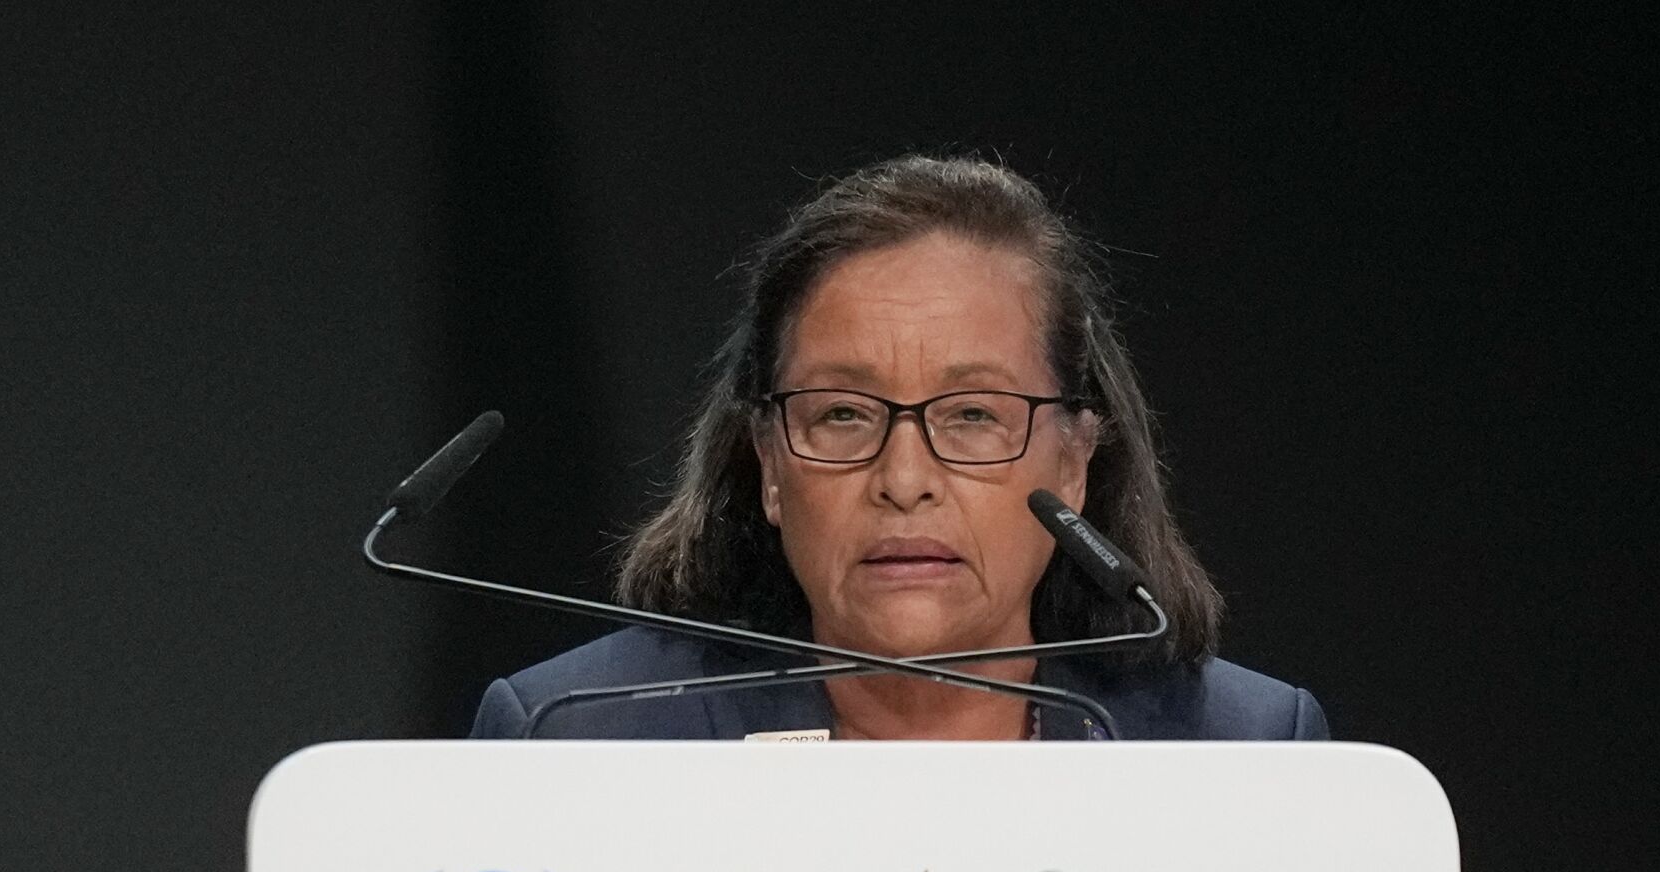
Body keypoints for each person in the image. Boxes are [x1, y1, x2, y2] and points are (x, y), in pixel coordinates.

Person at [470, 154, 1327, 741]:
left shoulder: (1240, 747)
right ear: (769, 463)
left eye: (973, 416)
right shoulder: (578, 733)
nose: (905, 479)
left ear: (1072, 460)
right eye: (842, 414)